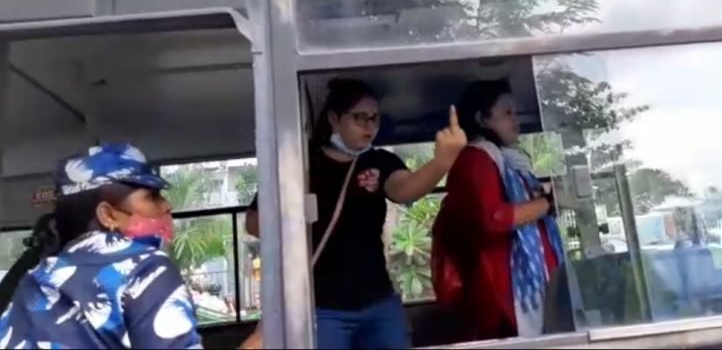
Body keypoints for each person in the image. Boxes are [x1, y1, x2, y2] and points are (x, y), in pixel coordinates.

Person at [247, 78, 465, 349]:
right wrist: (294, 210)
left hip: (378, 299)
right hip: (322, 306)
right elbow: (254, 223)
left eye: (375, 119)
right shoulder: (302, 164)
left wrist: (443, 161)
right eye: (360, 118)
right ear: (334, 119)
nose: (369, 127)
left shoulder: (380, 161)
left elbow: (405, 189)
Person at [0, 143, 262, 350]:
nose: (167, 205)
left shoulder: (36, 279)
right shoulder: (145, 270)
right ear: (108, 215)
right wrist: (260, 341)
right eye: (152, 196)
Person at [432, 79, 565, 340]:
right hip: (501, 295)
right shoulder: (476, 158)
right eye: (507, 113)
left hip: (523, 289)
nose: (516, 120)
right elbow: (493, 218)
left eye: (515, 113)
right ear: (483, 119)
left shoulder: (510, 161)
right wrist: (548, 204)